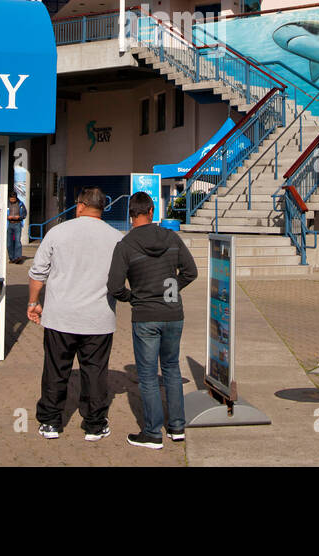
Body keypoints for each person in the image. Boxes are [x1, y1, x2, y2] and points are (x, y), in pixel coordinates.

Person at [27, 187, 123, 441]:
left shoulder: (57, 232)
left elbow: (38, 272)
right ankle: (94, 424)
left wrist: (33, 302)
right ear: (102, 208)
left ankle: (50, 422)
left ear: (80, 205)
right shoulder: (116, 237)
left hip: (60, 316)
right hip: (99, 318)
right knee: (95, 372)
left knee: (56, 369)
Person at [107, 191, 198, 449]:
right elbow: (191, 272)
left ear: (130, 215)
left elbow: (114, 286)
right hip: (173, 314)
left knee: (147, 376)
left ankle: (152, 433)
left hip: (145, 316)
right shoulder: (170, 237)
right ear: (151, 212)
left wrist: (132, 297)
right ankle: (177, 427)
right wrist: (171, 288)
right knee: (171, 368)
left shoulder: (124, 245)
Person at [6, 192, 25, 265]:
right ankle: (12, 258)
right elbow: (2, 212)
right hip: (9, 224)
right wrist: (7, 217)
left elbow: (24, 214)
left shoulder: (20, 204)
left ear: (16, 198)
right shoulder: (7, 204)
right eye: (11, 198)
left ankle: (18, 257)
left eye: (14, 198)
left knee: (17, 241)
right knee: (9, 243)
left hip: (17, 224)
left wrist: (19, 217)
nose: (12, 200)